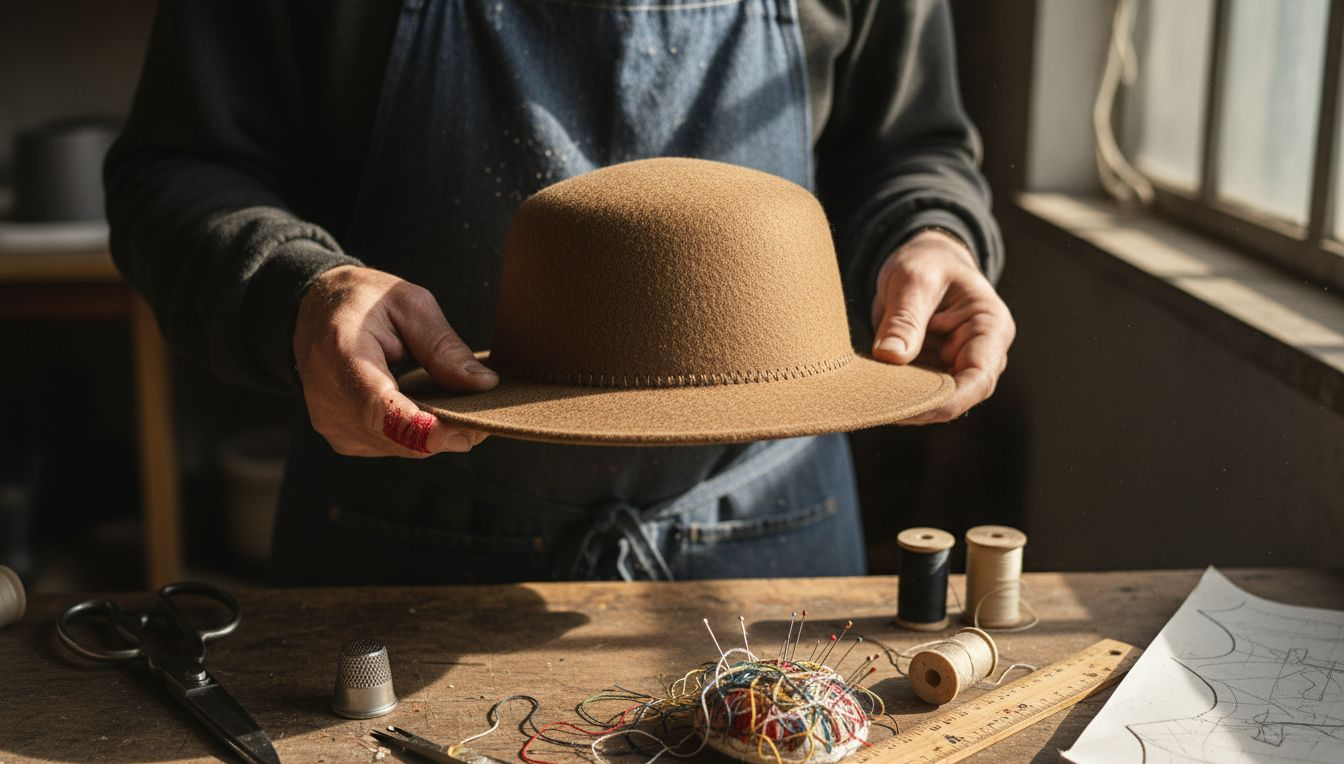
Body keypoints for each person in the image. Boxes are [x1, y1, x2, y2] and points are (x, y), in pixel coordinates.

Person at [106, 0, 1015, 585]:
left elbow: (905, 144)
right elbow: (177, 171)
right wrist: (297, 290)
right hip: (403, 538)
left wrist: (929, 231)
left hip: (770, 537)